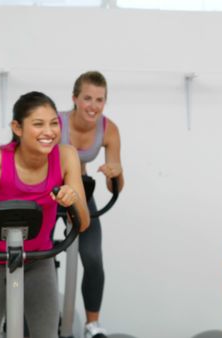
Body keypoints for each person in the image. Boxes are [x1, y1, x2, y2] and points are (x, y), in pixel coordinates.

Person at [0, 91, 90, 338]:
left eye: (54, 123)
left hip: (38, 259)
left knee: (46, 334)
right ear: (18, 127)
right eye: (38, 124)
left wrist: (73, 201)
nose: (49, 132)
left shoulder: (67, 156)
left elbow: (84, 223)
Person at [58, 70, 124, 338]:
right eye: (87, 98)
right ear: (75, 98)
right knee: (38, 256)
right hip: (47, 191)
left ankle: (91, 325)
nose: (93, 106)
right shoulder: (56, 123)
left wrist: (115, 172)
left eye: (99, 99)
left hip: (80, 189)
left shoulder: (109, 129)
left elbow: (115, 186)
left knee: (93, 257)